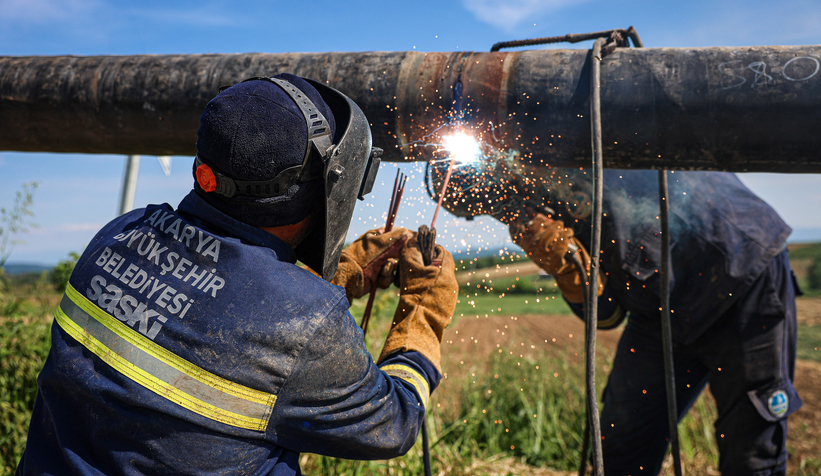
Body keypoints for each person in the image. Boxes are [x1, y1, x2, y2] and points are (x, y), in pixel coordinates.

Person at [16, 74, 458, 475]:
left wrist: (342, 274)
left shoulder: (118, 235)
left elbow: (218, 319)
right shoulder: (306, 324)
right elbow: (392, 422)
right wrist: (422, 308)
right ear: (321, 182)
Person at [509, 168, 801, 476]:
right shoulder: (533, 197)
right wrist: (569, 271)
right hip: (656, 310)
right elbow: (607, 314)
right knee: (618, 454)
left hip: (738, 272)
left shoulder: (573, 126)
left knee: (752, 461)